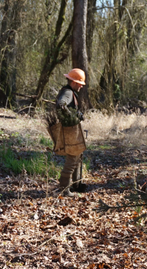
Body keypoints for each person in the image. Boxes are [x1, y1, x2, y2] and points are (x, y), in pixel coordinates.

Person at [56, 68, 87, 197]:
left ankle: (76, 185)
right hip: (70, 130)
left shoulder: (69, 92)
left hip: (71, 130)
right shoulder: (68, 93)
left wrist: (75, 114)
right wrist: (73, 116)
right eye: (80, 84)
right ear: (74, 82)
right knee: (72, 158)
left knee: (78, 157)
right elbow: (61, 104)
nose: (81, 86)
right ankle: (64, 189)